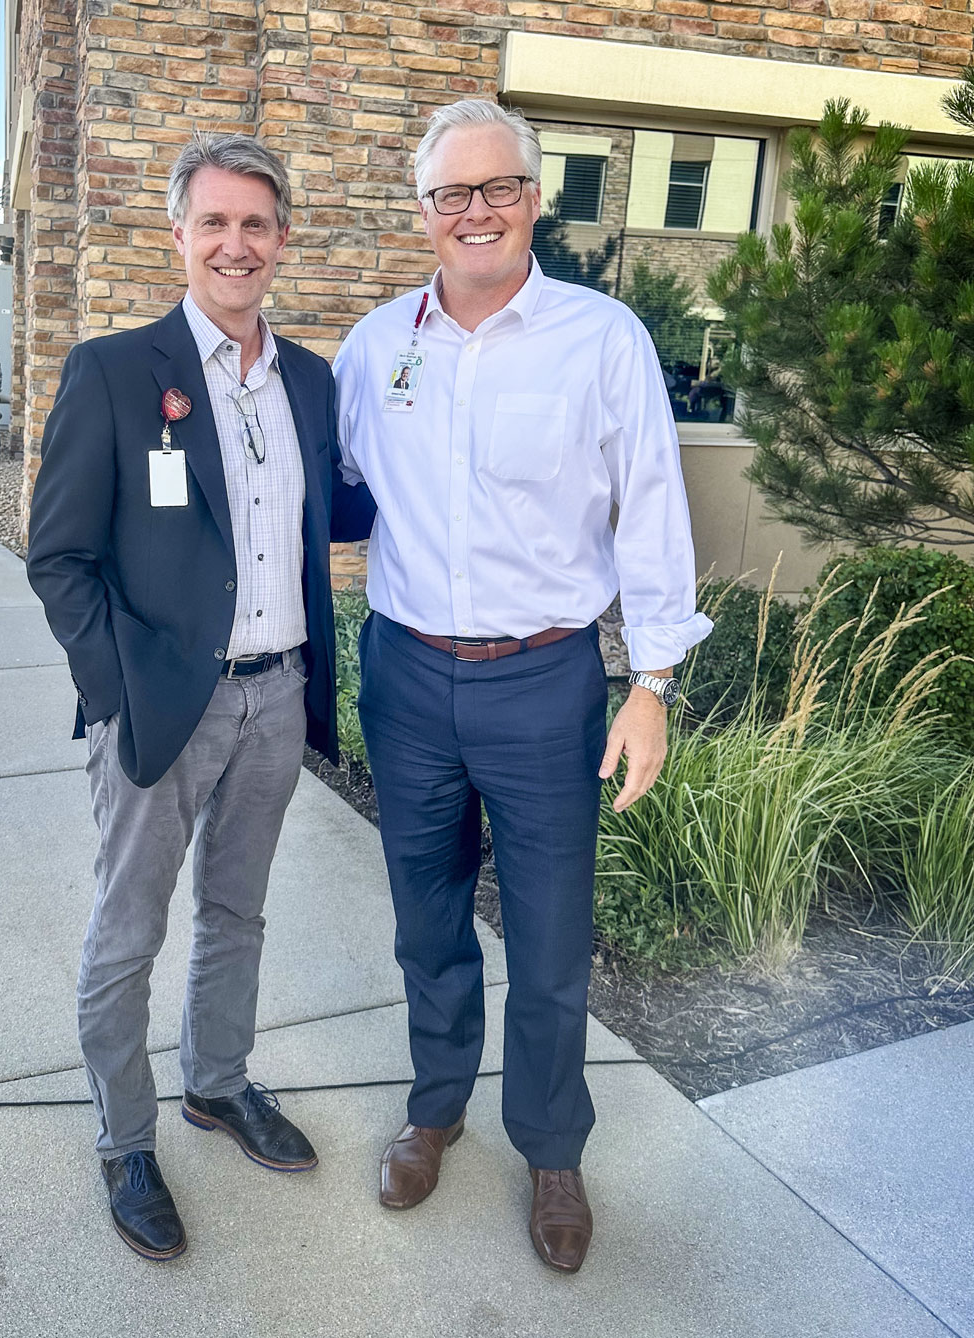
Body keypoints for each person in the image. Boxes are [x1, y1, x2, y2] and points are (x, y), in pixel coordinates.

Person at [332, 99, 711, 1274]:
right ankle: (436, 1107)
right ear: (424, 211)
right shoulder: (372, 346)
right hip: (402, 671)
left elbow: (651, 509)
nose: (477, 210)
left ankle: (552, 1148)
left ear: (535, 201)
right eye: (453, 193)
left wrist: (650, 681)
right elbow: (327, 492)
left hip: (545, 680)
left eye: (499, 188)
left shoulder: (602, 341)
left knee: (550, 936)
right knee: (426, 916)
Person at [27, 130, 375, 1262]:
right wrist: (114, 690)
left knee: (239, 911)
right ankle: (126, 1139)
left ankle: (217, 1087)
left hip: (278, 697)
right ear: (179, 235)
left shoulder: (311, 383)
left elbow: (347, 513)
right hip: (161, 707)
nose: (236, 243)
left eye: (256, 224)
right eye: (214, 222)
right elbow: (59, 557)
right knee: (128, 931)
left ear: (281, 241)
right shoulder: (117, 373)